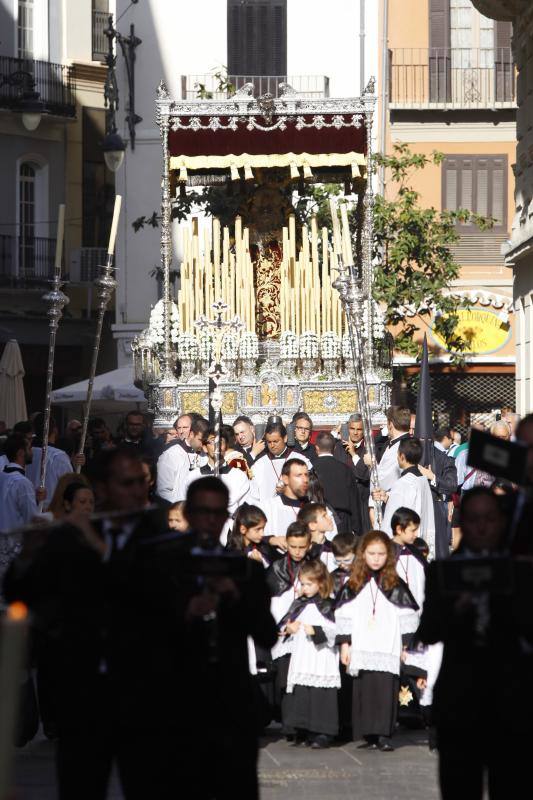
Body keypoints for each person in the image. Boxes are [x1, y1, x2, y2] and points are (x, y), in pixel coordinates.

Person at [4, 448, 177, 799]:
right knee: (81, 783)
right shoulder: (65, 537)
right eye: (126, 483)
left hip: (138, 688)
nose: (137, 490)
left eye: (140, 482)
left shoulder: (154, 531)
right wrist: (29, 553)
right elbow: (20, 592)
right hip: (80, 688)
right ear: (104, 488)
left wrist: (97, 545)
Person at [417, 488, 533, 799]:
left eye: (490, 519)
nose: (482, 527)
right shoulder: (442, 572)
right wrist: (457, 608)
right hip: (459, 701)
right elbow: (427, 631)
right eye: (474, 519)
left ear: (501, 523)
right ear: (463, 523)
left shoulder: (520, 571)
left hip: (509, 702)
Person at [170, 476, 278, 799]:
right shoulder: (166, 564)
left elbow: (267, 634)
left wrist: (236, 598)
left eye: (218, 513)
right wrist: (186, 610)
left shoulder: (245, 569)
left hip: (232, 701)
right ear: (189, 513)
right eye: (203, 511)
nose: (210, 520)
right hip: (180, 700)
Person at [335, 530, 418, 752]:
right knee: (364, 688)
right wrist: (345, 644)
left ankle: (383, 733)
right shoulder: (355, 581)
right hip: (363, 642)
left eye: (381, 554)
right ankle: (368, 733)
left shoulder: (394, 582)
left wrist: (405, 645)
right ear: (363, 554)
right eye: (371, 553)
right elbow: (343, 613)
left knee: (384, 689)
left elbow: (407, 613)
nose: (376, 558)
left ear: (388, 556)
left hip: (386, 643)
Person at [280, 560, 340, 748]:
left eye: (308, 584)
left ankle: (323, 731)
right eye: (303, 584)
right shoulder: (299, 603)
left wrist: (316, 630)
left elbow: (336, 630)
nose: (304, 588)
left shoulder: (328, 605)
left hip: (322, 656)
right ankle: (303, 728)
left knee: (321, 694)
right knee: (303, 693)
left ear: (321, 583)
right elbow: (284, 625)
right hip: (303, 655)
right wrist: (288, 628)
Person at [379, 438, 436, 558]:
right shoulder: (423, 479)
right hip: (420, 542)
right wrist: (387, 498)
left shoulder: (403, 483)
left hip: (405, 549)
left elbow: (392, 517)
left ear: (401, 456)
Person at [252, 421, 312, 504]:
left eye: (276, 441)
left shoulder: (301, 460)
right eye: (269, 442)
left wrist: (288, 490)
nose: (272, 445)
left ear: (285, 438)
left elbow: (311, 488)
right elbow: (253, 496)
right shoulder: (259, 465)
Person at [313, 431, 361, 535]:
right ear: (334, 448)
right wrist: (357, 529)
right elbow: (354, 500)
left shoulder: (311, 469)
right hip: (343, 523)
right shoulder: (346, 470)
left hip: (318, 522)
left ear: (316, 448)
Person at [390, 507, 426, 638]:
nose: (416, 534)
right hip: (394, 619)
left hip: (418, 615)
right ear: (399, 529)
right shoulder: (385, 554)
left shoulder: (416, 553)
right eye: (413, 530)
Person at [26, 414, 73, 507]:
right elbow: (70, 486)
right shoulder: (58, 456)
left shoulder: (26, 452)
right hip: (51, 512)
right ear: (55, 430)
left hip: (29, 509)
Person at [334, 413, 371, 531]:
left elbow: (365, 475)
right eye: (352, 428)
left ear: (364, 431)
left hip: (361, 504)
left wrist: (353, 454)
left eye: (359, 429)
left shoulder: (369, 448)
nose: (355, 433)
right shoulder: (338, 447)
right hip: (343, 504)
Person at [261, 458, 310, 545]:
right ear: (285, 479)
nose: (305, 480)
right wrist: (270, 540)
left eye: (306, 475)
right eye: (299, 475)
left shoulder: (317, 510)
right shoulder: (268, 507)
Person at [0, 433, 42, 531]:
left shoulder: (2, 476)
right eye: (29, 448)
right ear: (21, 453)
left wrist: (36, 499)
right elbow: (31, 519)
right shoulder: (22, 483)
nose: (32, 452)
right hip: (15, 541)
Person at [297, 502, 337, 570]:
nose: (330, 517)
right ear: (312, 525)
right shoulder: (302, 552)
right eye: (324, 516)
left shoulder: (334, 549)